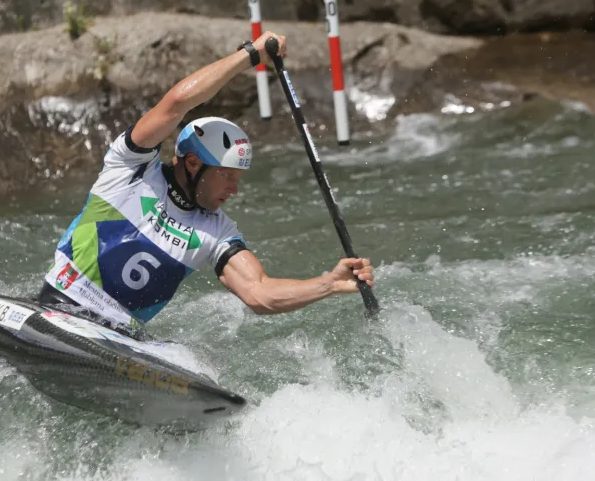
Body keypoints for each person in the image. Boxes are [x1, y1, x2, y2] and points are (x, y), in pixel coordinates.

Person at [34, 31, 374, 338]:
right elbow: (176, 104)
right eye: (226, 175)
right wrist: (250, 55)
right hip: (59, 306)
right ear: (194, 164)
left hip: (117, 338)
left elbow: (259, 293)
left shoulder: (217, 232)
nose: (234, 190)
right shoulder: (131, 168)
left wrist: (328, 284)